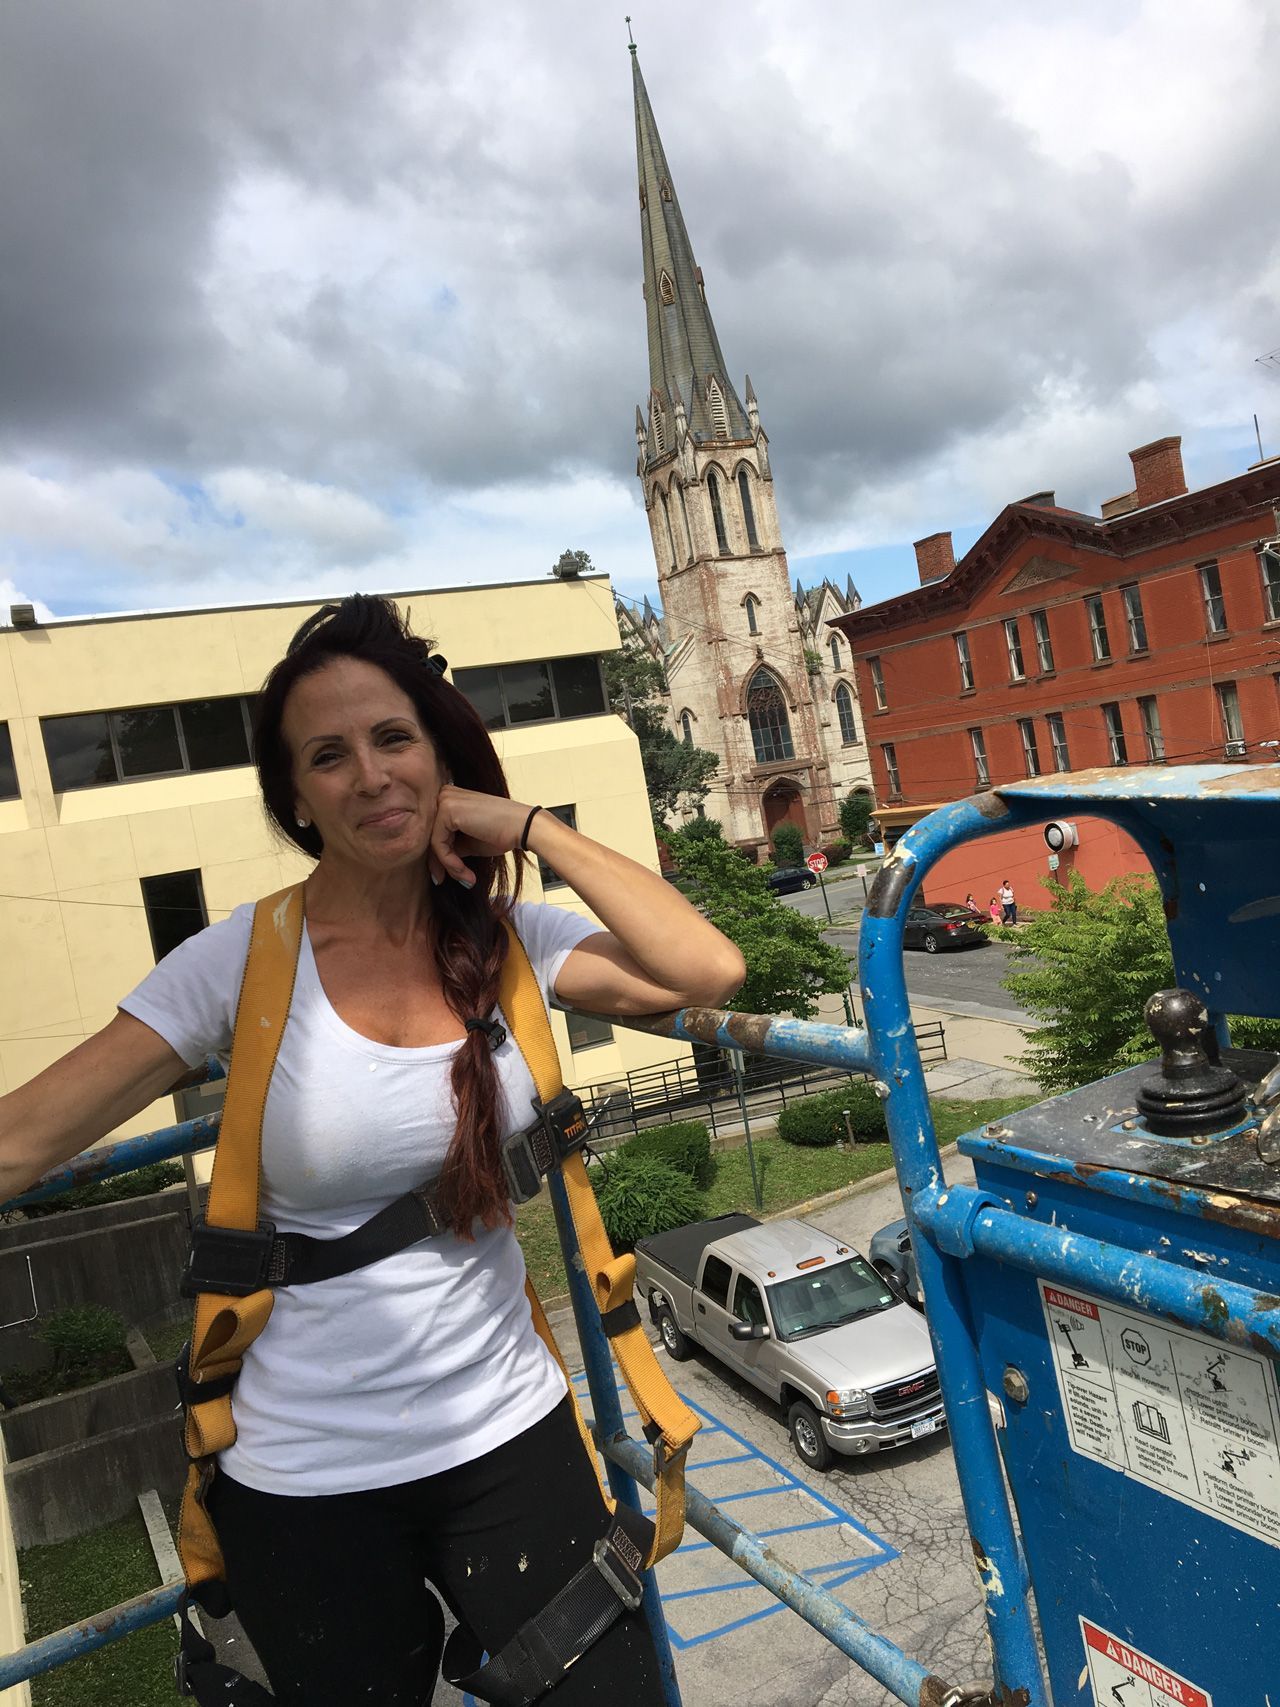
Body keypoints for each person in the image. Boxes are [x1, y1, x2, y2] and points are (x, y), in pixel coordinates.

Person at [0, 595, 746, 1707]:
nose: (371, 775)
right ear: (295, 796)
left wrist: (530, 828)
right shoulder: (239, 965)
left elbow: (707, 971)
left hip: (507, 1431)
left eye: (394, 739)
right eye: (328, 755)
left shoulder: (511, 943)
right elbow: (22, 1141)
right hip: (306, 1473)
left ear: (439, 754)